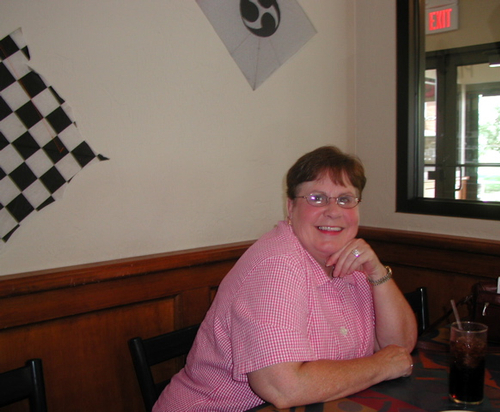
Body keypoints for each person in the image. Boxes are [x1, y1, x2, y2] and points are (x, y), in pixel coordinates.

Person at [153, 146, 417, 411]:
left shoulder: (353, 261)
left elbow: (398, 349)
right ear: (290, 207)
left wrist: (377, 272)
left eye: (345, 199)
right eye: (317, 198)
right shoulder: (277, 265)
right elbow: (282, 388)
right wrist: (380, 366)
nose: (333, 211)